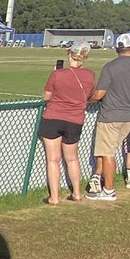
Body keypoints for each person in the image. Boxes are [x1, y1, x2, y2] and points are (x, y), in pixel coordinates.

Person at [87, 34, 130, 201]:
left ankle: (109, 190)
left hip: (110, 114)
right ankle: (101, 181)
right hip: (129, 115)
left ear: (117, 49)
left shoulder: (110, 67)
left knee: (107, 153)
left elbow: (100, 93)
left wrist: (87, 101)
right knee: (109, 151)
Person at [38, 43, 95, 203]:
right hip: (75, 119)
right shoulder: (90, 75)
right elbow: (89, 95)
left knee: (52, 159)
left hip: (53, 117)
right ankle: (77, 193)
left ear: (70, 55)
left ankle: (54, 197)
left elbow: (46, 96)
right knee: (72, 158)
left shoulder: (58, 75)